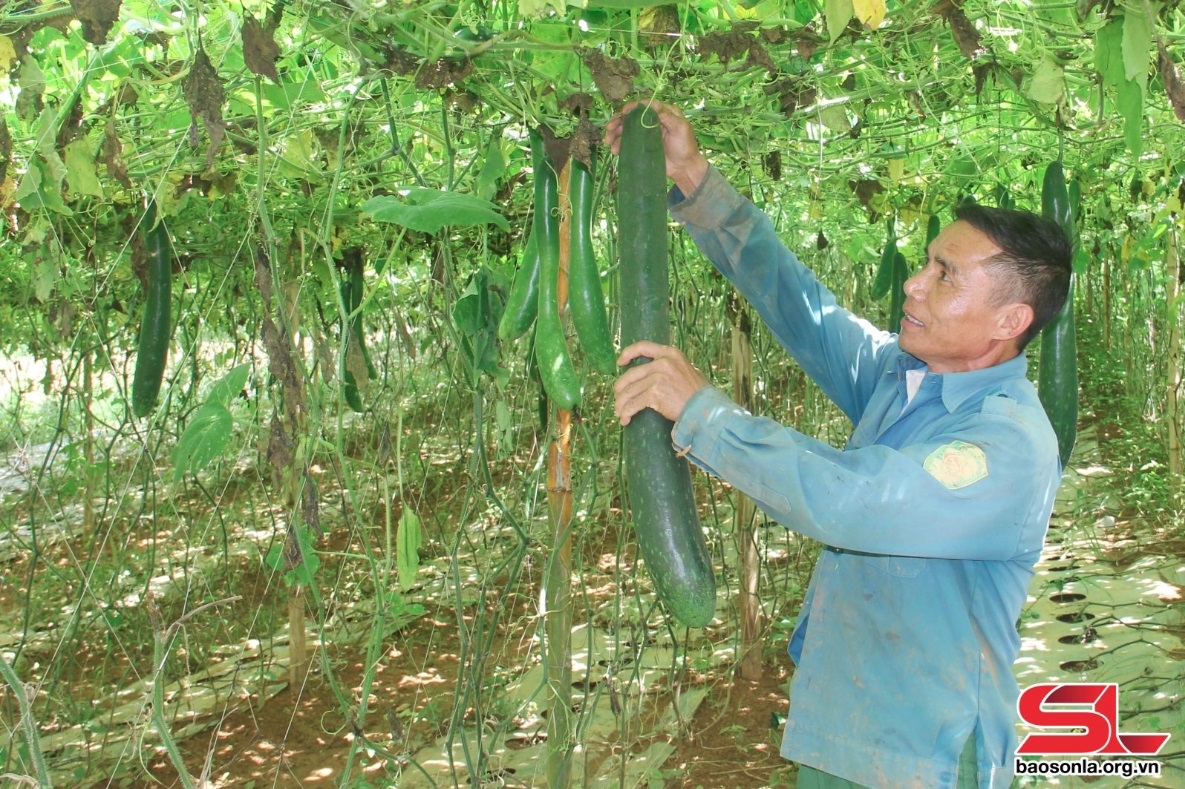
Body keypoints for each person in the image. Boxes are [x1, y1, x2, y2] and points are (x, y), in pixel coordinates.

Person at [605, 100, 1072, 789]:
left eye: (945, 274)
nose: (913, 282)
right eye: (926, 262)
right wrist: (695, 180)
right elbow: (799, 304)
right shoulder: (901, 375)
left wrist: (702, 413)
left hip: (924, 753)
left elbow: (856, 501)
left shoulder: (1007, 443)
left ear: (1010, 319)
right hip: (839, 725)